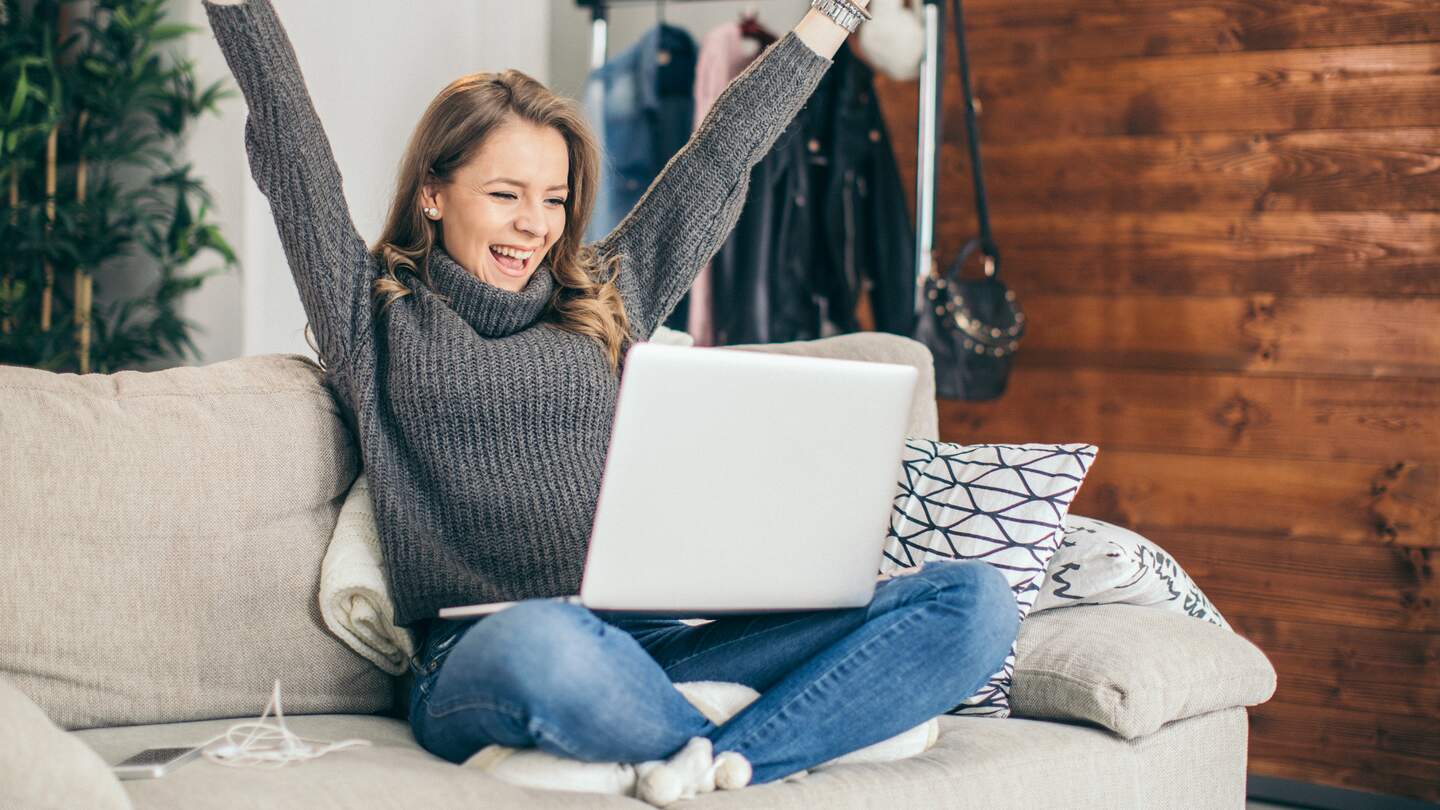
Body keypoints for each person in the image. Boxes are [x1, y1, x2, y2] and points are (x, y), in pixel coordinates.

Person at [202, 0, 1018, 803]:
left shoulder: (602, 299)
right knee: (544, 641)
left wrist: (836, 14)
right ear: (432, 193)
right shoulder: (372, 315)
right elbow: (290, 144)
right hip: (490, 653)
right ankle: (801, 729)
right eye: (506, 195)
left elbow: (720, 158)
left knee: (974, 602)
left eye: (554, 199)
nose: (535, 226)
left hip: (657, 647)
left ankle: (720, 757)